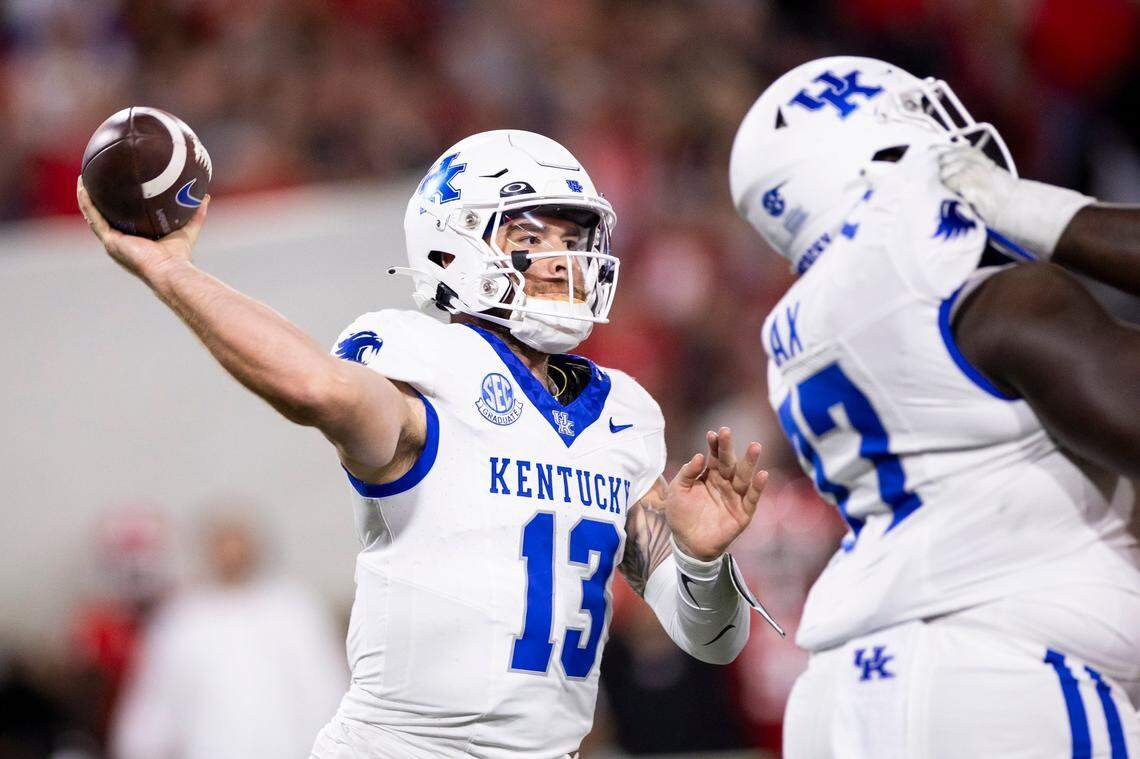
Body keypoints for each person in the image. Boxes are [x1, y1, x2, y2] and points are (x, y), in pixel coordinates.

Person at [78, 129, 779, 758]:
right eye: (535, 236)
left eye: (575, 240)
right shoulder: (422, 362)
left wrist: (702, 559)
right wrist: (173, 272)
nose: (564, 260)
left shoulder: (623, 414)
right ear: (454, 243)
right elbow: (317, 387)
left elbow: (711, 639)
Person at [730, 56, 1140, 758]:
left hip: (842, 691)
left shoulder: (807, 322)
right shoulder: (964, 287)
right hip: (1002, 676)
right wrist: (1049, 215)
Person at [110, 513, 345, 759]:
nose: (231, 554)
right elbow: (155, 701)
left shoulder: (293, 609)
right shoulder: (181, 619)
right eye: (222, 544)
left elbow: (323, 687)